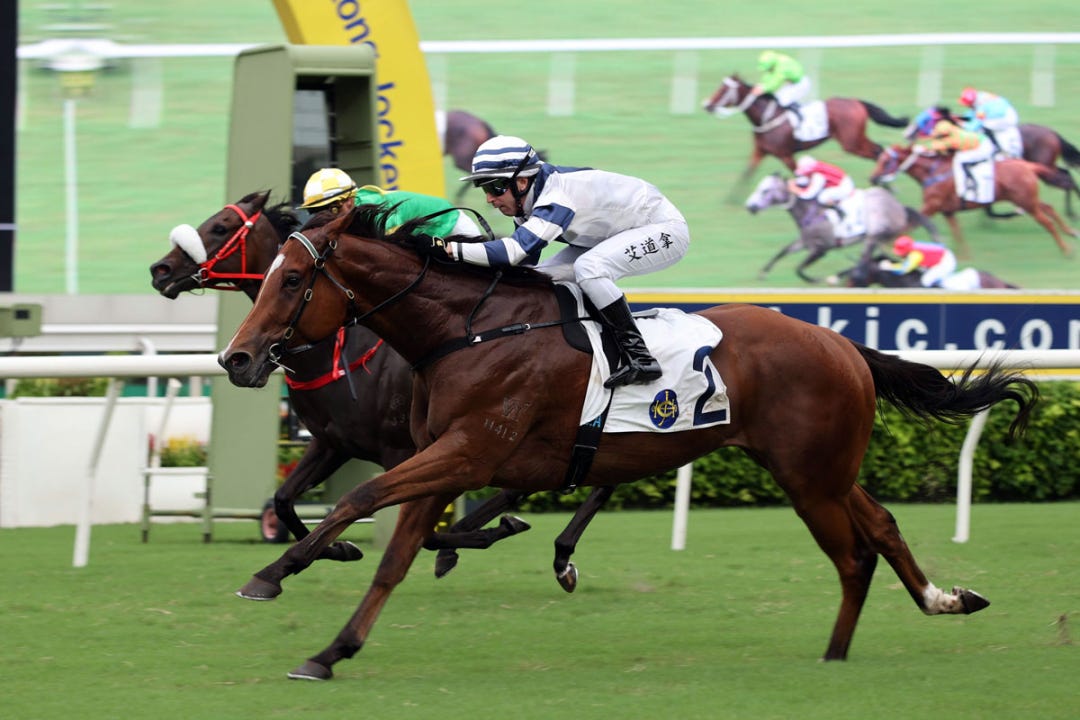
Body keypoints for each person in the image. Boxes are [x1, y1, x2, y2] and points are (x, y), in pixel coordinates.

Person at [428, 135, 689, 388]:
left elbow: (513, 252)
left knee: (589, 268)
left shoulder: (557, 195)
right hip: (610, 235)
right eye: (484, 188)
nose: (489, 199)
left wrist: (448, 249)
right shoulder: (528, 202)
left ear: (522, 182)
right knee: (542, 277)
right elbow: (523, 266)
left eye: (495, 187)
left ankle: (641, 358)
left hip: (663, 229)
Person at [298, 167, 482, 238]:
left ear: (349, 200)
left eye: (331, 210)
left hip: (452, 225)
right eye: (316, 212)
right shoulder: (353, 208)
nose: (324, 218)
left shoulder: (375, 212)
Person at [913, 118, 995, 201]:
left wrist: (921, 148)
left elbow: (938, 145)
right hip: (982, 140)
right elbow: (937, 138)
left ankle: (966, 184)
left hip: (983, 148)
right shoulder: (953, 129)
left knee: (959, 160)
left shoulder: (953, 140)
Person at [957, 87, 1021, 158]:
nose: (967, 106)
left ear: (971, 102)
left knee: (984, 126)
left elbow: (974, 126)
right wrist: (961, 118)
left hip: (1006, 118)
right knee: (985, 123)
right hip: (1008, 111)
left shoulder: (981, 106)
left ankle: (997, 148)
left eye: (967, 104)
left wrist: (962, 124)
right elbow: (972, 113)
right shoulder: (979, 96)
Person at [749, 50, 810, 122]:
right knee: (777, 98)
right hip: (791, 83)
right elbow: (768, 76)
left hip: (800, 84)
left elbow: (775, 82)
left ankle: (801, 117)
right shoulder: (775, 62)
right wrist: (761, 84)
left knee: (783, 101)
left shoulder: (782, 66)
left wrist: (763, 88)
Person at [788, 156, 855, 219]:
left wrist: (795, 190)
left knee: (822, 197)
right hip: (841, 183)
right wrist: (795, 182)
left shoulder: (818, 176)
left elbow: (809, 194)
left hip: (844, 187)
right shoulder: (816, 170)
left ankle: (839, 211)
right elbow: (806, 180)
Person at [882, 235, 957, 288]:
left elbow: (903, 269)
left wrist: (889, 267)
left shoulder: (915, 254)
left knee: (926, 281)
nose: (900, 255)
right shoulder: (913, 247)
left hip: (946, 261)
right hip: (944, 256)